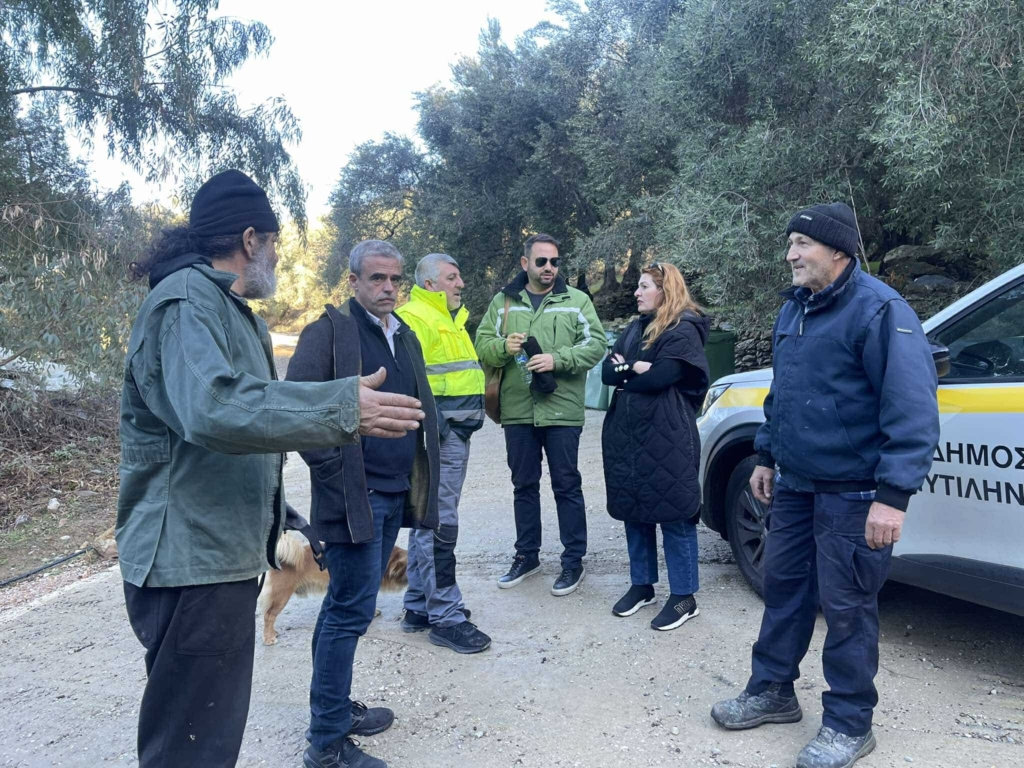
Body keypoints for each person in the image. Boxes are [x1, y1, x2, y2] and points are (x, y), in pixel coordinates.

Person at [117, 171, 424, 768]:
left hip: (220, 552)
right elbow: (215, 407)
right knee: (192, 746)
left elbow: (244, 421)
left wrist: (282, 513)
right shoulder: (186, 302)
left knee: (207, 735)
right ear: (251, 239)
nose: (279, 256)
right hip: (192, 559)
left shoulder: (222, 307)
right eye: (276, 242)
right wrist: (341, 407)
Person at [710, 203, 940, 768]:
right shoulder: (795, 308)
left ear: (838, 250)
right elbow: (782, 393)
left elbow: (912, 409)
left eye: (801, 244)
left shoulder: (881, 310)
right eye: (789, 243)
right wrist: (766, 455)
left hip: (854, 493)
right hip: (795, 485)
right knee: (783, 590)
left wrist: (893, 498)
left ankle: (848, 723)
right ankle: (772, 691)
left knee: (848, 607)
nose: (789, 255)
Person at [286, 239, 444, 768]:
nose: (388, 288)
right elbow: (295, 412)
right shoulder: (328, 333)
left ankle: (333, 712)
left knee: (344, 607)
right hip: (355, 500)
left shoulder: (404, 335)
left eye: (395, 279)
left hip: (393, 495)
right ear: (352, 281)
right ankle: (326, 744)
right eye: (377, 278)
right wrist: (334, 476)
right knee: (350, 612)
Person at [475, 233, 606, 596]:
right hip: (518, 412)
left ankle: (573, 561)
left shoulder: (577, 300)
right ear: (525, 263)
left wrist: (556, 359)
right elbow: (482, 344)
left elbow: (596, 344)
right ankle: (527, 556)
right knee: (523, 486)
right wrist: (503, 346)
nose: (549, 268)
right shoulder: (503, 302)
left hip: (562, 410)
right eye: (542, 261)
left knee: (567, 486)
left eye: (555, 262)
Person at [601, 262, 710, 630]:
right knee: (634, 508)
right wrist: (637, 367)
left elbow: (664, 376)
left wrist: (629, 370)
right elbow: (606, 373)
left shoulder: (683, 328)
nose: (636, 292)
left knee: (675, 512)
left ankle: (684, 597)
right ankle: (642, 585)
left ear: (666, 290)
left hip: (668, 435)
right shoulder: (634, 328)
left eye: (644, 285)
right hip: (628, 435)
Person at [395, 253, 492, 654]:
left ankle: (419, 606)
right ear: (430, 283)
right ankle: (446, 617)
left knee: (427, 519)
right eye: (453, 277)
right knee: (439, 524)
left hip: (452, 436)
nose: (461, 283)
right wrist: (439, 430)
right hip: (438, 440)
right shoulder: (415, 317)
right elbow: (407, 382)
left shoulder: (447, 318)